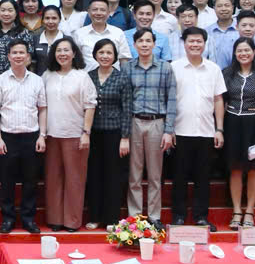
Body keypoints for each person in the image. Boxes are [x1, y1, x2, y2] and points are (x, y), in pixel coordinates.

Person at [0, 38, 47, 234]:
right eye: (14, 53)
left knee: (31, 181)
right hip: (8, 137)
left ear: (28, 56)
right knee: (7, 181)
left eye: (22, 52)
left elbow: (42, 109)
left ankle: (28, 219)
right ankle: (8, 219)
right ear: (8, 56)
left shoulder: (37, 80)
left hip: (31, 136)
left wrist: (42, 135)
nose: (18, 56)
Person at [171, 27, 226, 229]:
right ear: (184, 44)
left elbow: (218, 99)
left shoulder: (214, 69)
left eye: (199, 41)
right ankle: (178, 216)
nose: (195, 44)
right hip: (179, 131)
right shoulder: (174, 67)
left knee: (203, 178)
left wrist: (219, 129)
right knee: (179, 177)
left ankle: (201, 217)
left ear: (204, 44)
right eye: (191, 41)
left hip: (206, 131)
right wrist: (169, 129)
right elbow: (168, 99)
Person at [123, 28, 176, 224]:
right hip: (134, 122)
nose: (144, 44)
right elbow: (125, 101)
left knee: (155, 174)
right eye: (140, 41)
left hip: (157, 123)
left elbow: (172, 100)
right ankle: (135, 217)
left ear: (154, 44)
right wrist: (125, 132)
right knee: (134, 174)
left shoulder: (165, 67)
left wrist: (169, 131)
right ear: (134, 45)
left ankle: (154, 217)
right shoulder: (127, 68)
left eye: (148, 41)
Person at [221, 36, 255, 230]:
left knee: (253, 168)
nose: (243, 54)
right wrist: (219, 128)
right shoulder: (227, 73)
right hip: (232, 123)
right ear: (235, 53)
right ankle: (236, 211)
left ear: (254, 52)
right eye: (239, 51)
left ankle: (250, 211)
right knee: (235, 168)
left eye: (247, 50)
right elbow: (221, 101)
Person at [41, 37, 93, 231]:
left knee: (74, 179)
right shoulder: (47, 75)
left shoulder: (82, 76)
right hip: (52, 134)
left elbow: (90, 106)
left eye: (66, 50)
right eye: (58, 50)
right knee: (53, 178)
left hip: (75, 133)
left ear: (74, 54)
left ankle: (72, 221)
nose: (62, 54)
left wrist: (86, 132)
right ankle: (55, 219)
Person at [84, 38, 132, 229]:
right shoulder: (88, 76)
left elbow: (127, 109)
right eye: (101, 52)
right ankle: (95, 216)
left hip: (115, 134)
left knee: (113, 176)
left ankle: (112, 218)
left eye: (109, 53)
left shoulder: (122, 78)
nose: (105, 56)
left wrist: (125, 137)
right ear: (95, 55)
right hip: (93, 133)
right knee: (94, 175)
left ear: (115, 56)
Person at [72, 0, 129, 66]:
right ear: (89, 12)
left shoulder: (118, 33)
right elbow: (74, 60)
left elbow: (124, 60)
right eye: (95, 10)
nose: (98, 13)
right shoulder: (79, 34)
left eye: (102, 10)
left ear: (108, 13)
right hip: (86, 73)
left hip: (113, 73)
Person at [0, 0, 34, 73]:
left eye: (10, 10)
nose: (6, 14)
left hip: (17, 75)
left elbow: (28, 58)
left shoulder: (24, 33)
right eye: (3, 10)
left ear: (16, 13)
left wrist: (12, 74)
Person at [203, 0, 239, 66]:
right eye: (219, 6)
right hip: (214, 71)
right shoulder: (207, 32)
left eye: (227, 5)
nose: (223, 9)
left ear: (232, 7)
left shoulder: (241, 29)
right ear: (214, 8)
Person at [31, 5, 68, 74]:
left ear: (60, 19)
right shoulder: (35, 39)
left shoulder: (67, 40)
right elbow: (31, 62)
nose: (50, 21)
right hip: (40, 79)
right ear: (42, 20)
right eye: (47, 18)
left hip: (62, 78)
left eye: (54, 18)